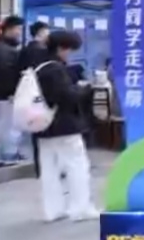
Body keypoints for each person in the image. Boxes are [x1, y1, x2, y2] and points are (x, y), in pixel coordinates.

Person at [33, 30, 97, 221]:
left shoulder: (39, 67)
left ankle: (52, 210)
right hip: (65, 126)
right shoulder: (56, 69)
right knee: (77, 165)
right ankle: (80, 208)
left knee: (49, 169)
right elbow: (67, 97)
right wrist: (84, 89)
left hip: (43, 126)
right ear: (61, 48)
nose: (69, 54)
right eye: (69, 49)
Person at [0, 14, 25, 163]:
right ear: (9, 29)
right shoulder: (4, 50)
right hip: (6, 95)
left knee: (8, 126)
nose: (19, 32)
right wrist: (11, 92)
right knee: (8, 126)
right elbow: (4, 74)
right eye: (18, 29)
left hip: (5, 94)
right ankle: (8, 155)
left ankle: (9, 153)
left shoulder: (4, 48)